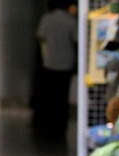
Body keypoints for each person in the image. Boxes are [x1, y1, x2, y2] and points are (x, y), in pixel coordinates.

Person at [33, 0, 77, 139]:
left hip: (50, 62)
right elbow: (76, 39)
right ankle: (61, 123)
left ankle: (48, 123)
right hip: (66, 62)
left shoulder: (47, 19)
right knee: (63, 95)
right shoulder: (70, 20)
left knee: (50, 94)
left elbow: (40, 35)